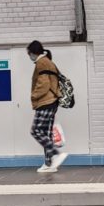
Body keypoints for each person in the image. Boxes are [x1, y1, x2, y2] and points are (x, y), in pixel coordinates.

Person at [27, 41, 69, 173]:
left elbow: (43, 84)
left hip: (45, 101)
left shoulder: (42, 63)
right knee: (45, 133)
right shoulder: (48, 62)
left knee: (36, 131)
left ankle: (56, 154)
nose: (29, 56)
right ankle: (49, 164)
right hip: (52, 101)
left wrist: (33, 96)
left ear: (33, 52)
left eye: (29, 54)